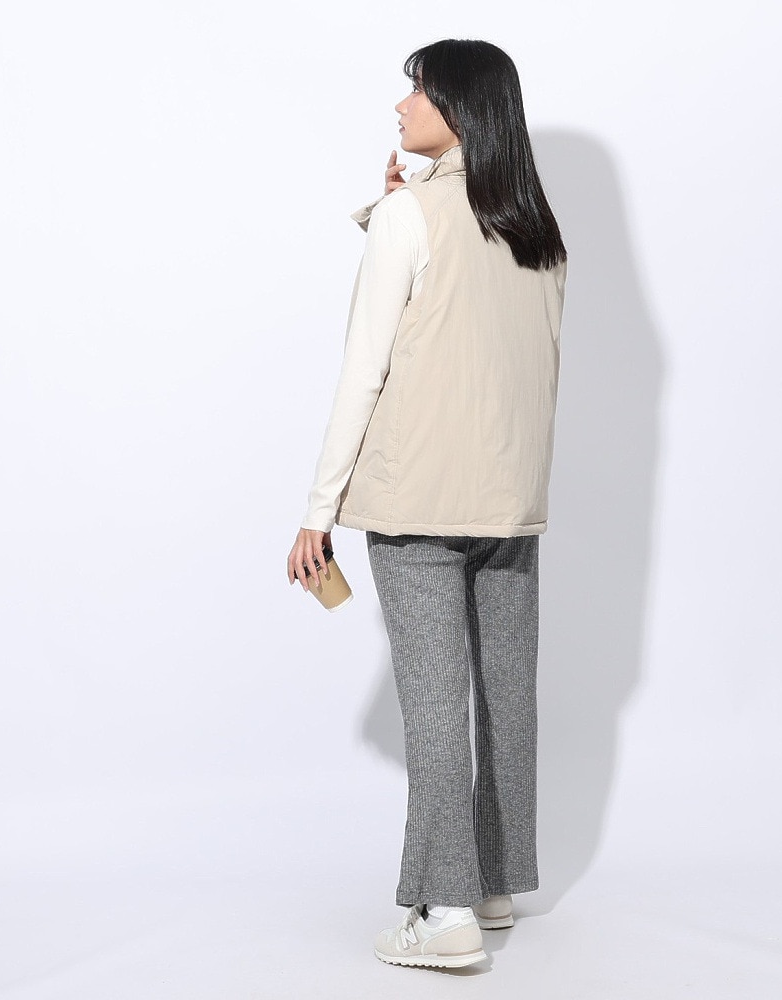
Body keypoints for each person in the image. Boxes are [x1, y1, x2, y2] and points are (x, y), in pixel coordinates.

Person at [287, 38, 566, 969]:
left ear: (462, 107)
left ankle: (442, 912)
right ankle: (493, 882)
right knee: (507, 695)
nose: (402, 105)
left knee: (436, 703)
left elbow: (364, 370)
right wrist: (395, 211)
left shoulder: (411, 219)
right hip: (510, 499)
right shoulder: (539, 230)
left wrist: (319, 508)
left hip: (416, 502)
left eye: (419, 90)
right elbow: (481, 331)